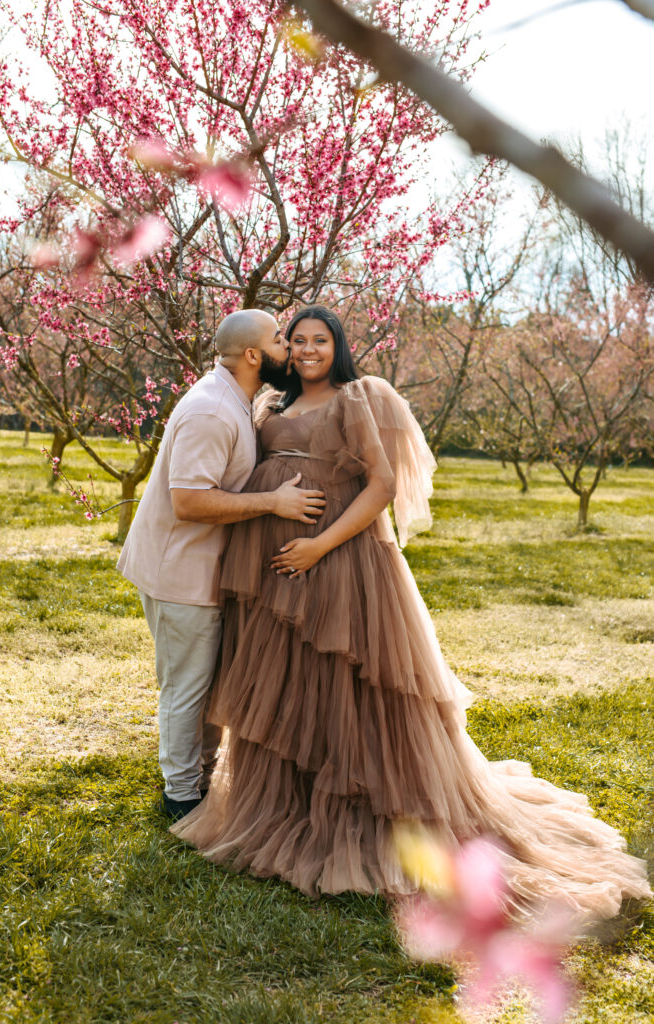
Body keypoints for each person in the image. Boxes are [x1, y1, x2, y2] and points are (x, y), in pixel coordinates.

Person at [172, 305, 651, 919]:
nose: (309, 349)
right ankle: (284, 803)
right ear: (283, 349)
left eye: (322, 340)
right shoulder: (268, 407)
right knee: (285, 687)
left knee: (348, 686)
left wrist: (320, 544)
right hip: (273, 571)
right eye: (299, 340)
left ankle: (359, 811)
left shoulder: (357, 399)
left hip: (341, 562)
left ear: (337, 347)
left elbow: (381, 485)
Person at [117, 309, 326, 822]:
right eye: (280, 340)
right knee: (187, 687)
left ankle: (200, 778)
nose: (290, 349)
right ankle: (182, 796)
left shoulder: (237, 400)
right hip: (179, 573)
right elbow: (189, 500)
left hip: (204, 570)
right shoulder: (212, 410)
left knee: (205, 685)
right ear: (254, 355)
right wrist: (273, 503)